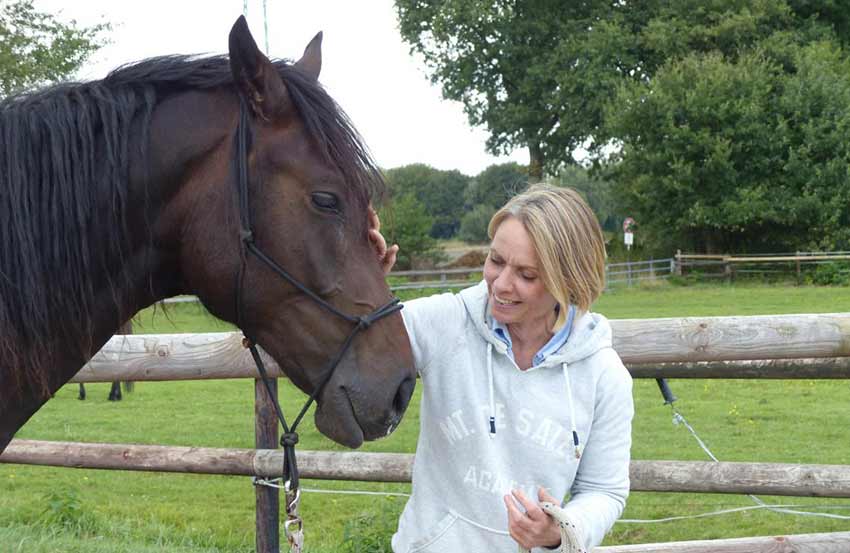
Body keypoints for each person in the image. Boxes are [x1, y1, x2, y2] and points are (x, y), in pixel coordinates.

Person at [368, 184, 633, 553]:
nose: (501, 284)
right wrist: (362, 279)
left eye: (527, 275)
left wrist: (560, 531)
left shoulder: (604, 374)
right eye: (496, 260)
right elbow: (349, 344)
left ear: (568, 281)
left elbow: (605, 490)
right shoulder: (445, 323)